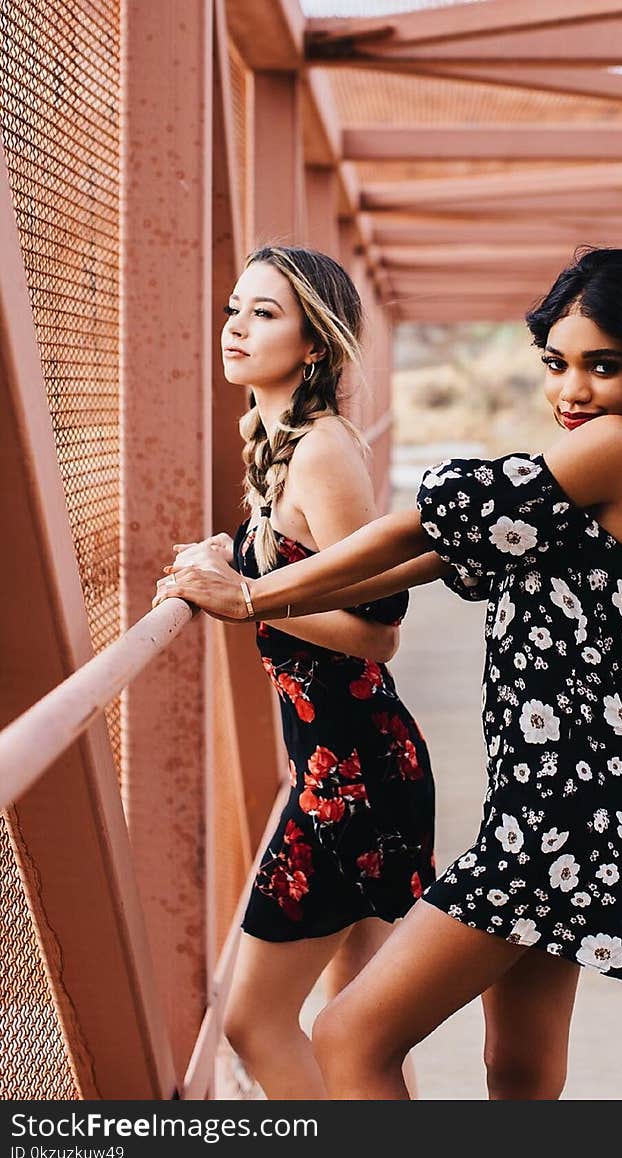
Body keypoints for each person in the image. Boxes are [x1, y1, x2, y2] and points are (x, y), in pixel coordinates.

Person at [154, 247, 622, 1099]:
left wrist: (253, 598)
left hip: (555, 822)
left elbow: (417, 526)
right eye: (556, 365)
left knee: (350, 1037)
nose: (573, 391)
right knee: (518, 1073)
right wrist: (266, 583)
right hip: (576, 810)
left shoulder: (619, 446)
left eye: (605, 365)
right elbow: (418, 562)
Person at [170, 244, 435, 1099]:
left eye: (265, 313)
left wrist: (246, 595)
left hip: (354, 773)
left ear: (315, 344)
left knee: (255, 1022)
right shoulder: (275, 443)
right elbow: (294, 571)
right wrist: (233, 566)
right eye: (233, 309)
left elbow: (380, 629)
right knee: (361, 1036)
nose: (237, 328)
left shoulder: (321, 450)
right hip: (338, 763)